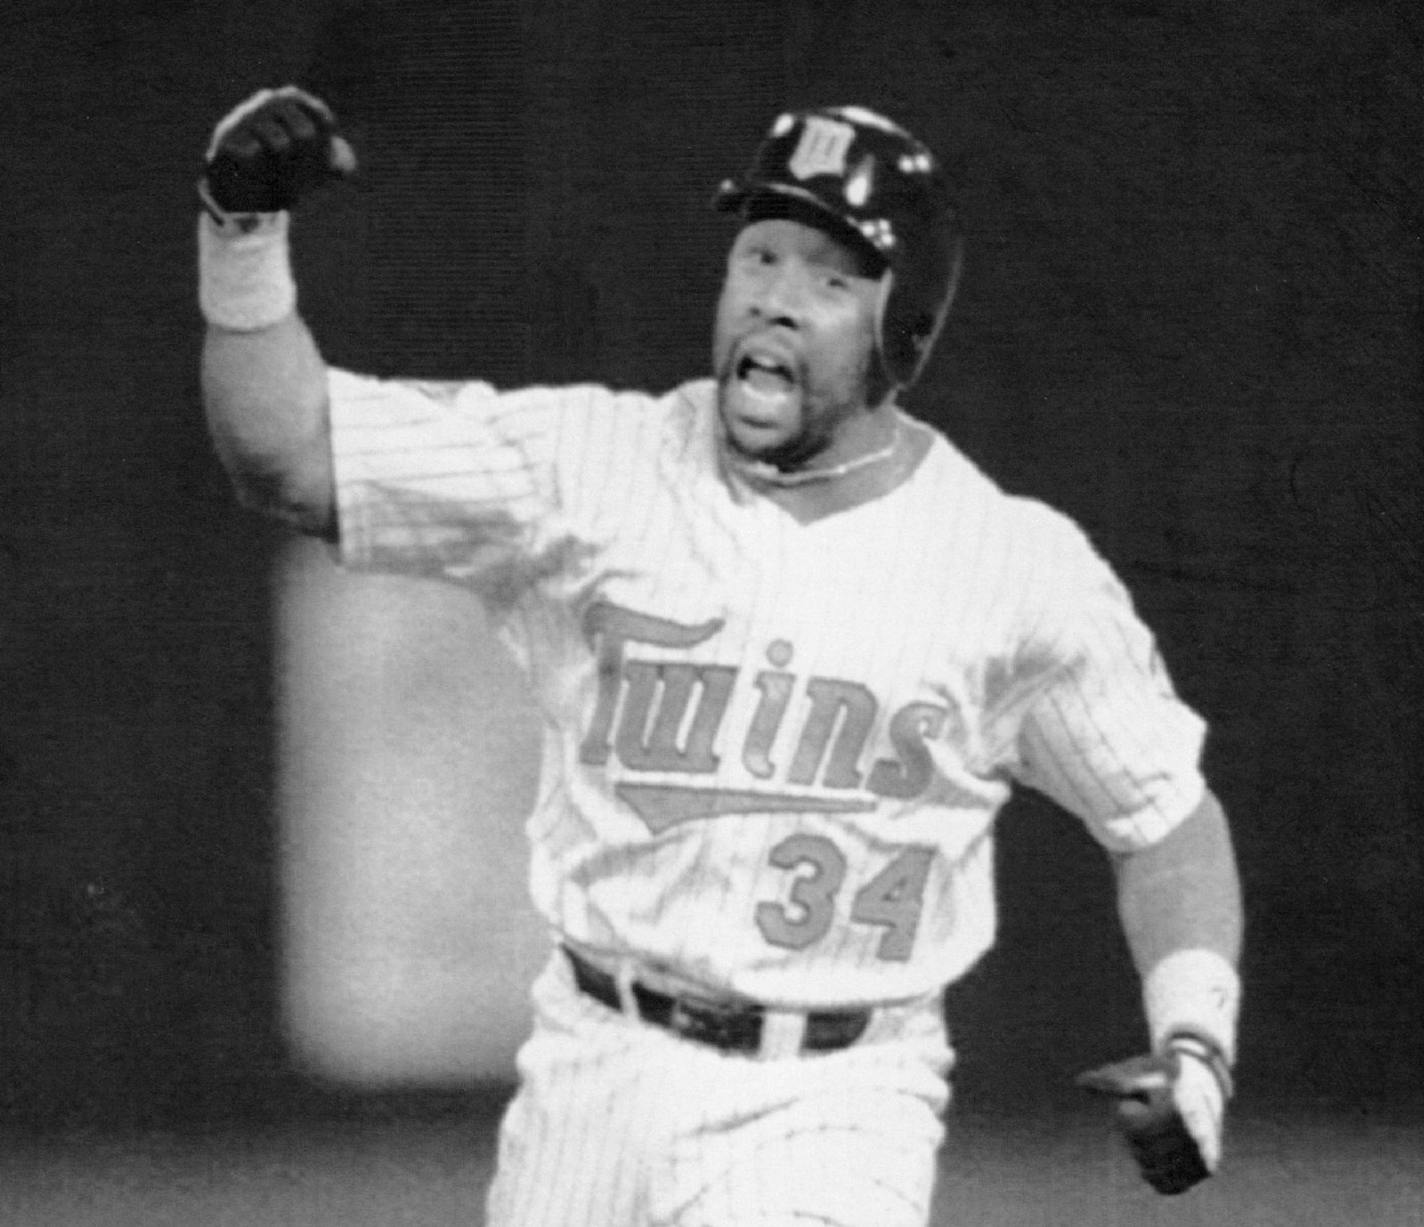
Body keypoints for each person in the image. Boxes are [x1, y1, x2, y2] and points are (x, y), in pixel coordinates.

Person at [197, 86, 1244, 1226]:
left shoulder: (1006, 564)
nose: (777, 301)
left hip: (833, 1096)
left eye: (830, 276)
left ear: (904, 327)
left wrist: (1195, 1039)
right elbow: (290, 455)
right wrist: (241, 235)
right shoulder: (591, 467)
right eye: (760, 256)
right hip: (590, 1070)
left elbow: (1160, 817)